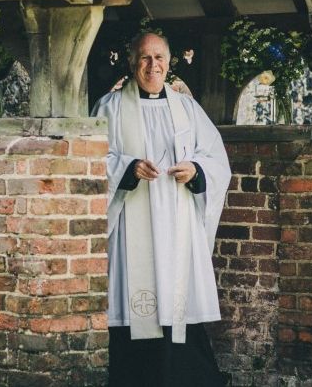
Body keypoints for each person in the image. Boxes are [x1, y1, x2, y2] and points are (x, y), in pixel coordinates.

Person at [91, 32, 231, 387]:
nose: (153, 65)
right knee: (135, 307)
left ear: (169, 62)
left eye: (159, 58)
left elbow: (217, 160)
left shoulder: (188, 109)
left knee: (176, 302)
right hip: (131, 224)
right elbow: (92, 159)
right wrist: (127, 167)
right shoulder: (109, 107)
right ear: (132, 61)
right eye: (145, 58)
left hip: (176, 223)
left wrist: (196, 170)